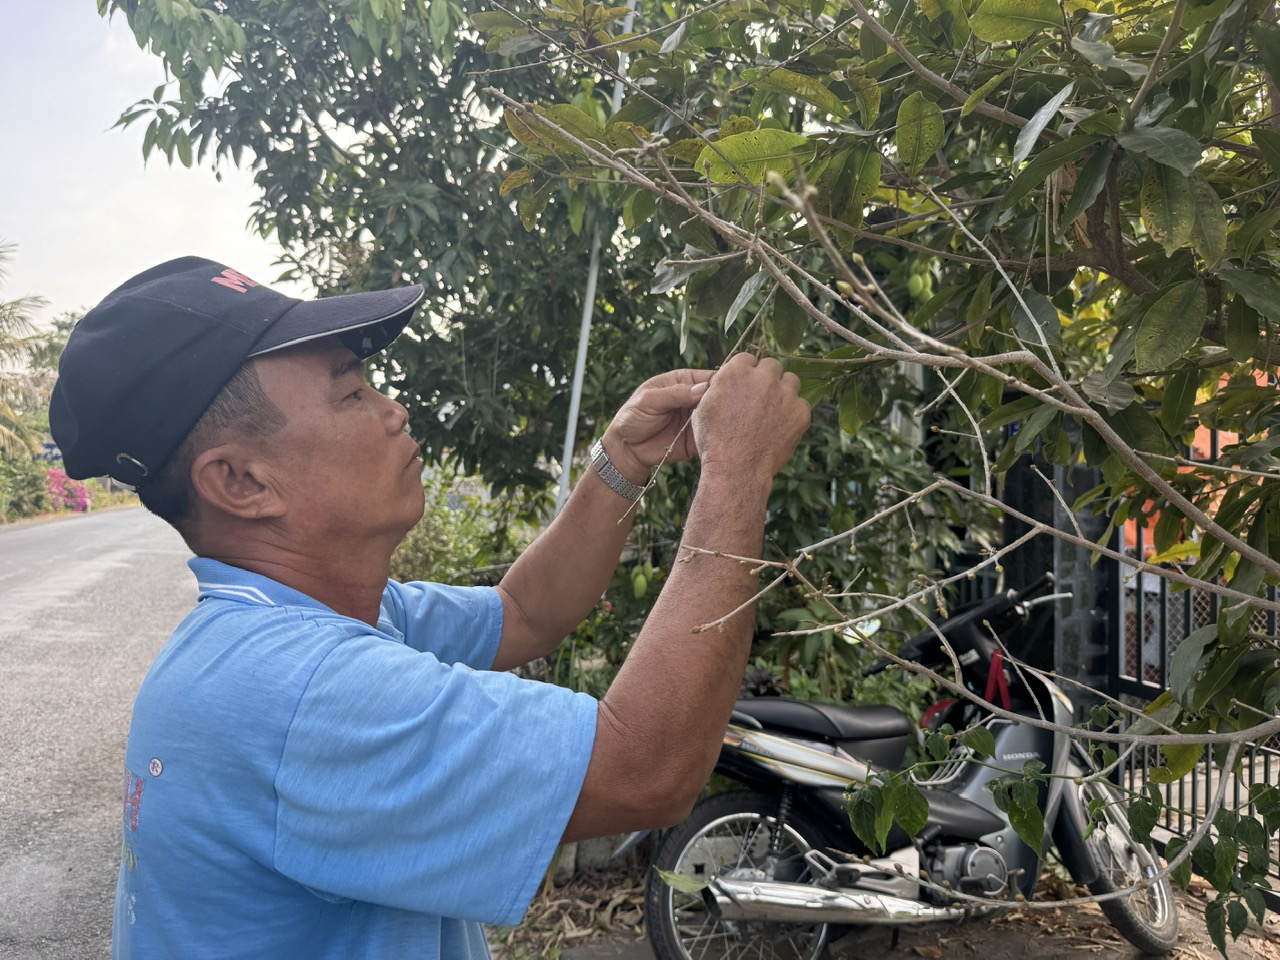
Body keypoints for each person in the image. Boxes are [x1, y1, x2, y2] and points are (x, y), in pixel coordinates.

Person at [49, 256, 811, 960]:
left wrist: (623, 460)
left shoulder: (305, 625)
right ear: (242, 483)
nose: (393, 409)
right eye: (351, 392)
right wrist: (737, 472)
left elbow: (525, 611)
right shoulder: (299, 692)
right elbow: (646, 769)